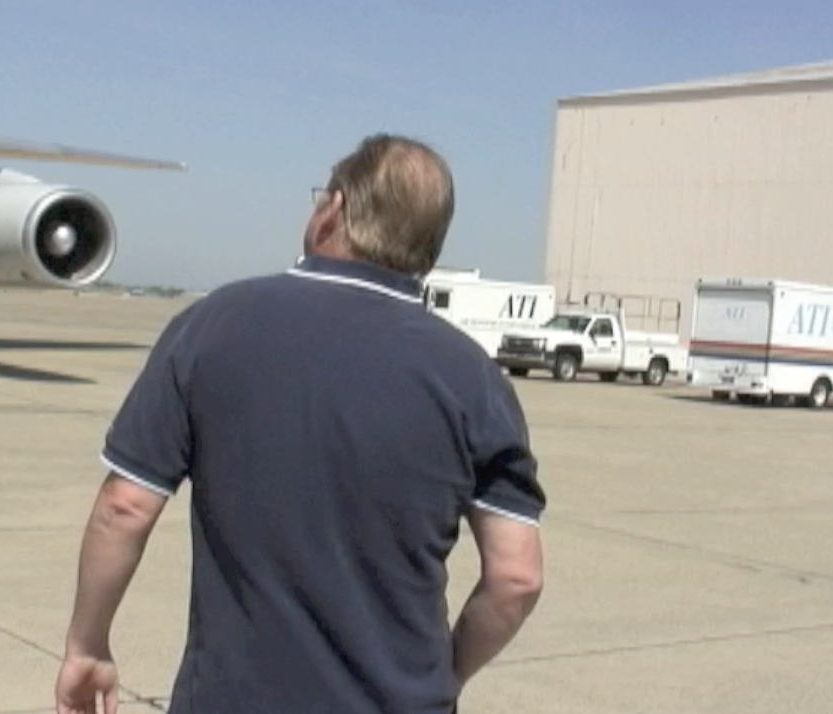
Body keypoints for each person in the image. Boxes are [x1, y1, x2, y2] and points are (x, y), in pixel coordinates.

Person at [55, 133, 546, 714]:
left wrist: (88, 642)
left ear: (332, 210)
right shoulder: (475, 379)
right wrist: (443, 677)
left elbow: (125, 506)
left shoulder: (213, 326)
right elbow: (516, 578)